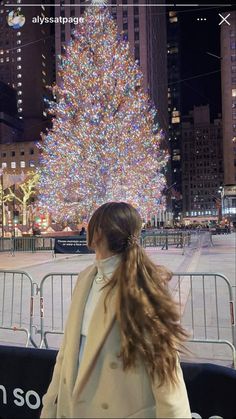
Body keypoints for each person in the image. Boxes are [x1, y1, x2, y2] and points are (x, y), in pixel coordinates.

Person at [41, 202, 191, 419]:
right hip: (72, 409)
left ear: (98, 234)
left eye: (90, 224)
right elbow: (67, 352)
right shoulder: (86, 278)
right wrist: (51, 404)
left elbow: (166, 374)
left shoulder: (138, 287)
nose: (86, 228)